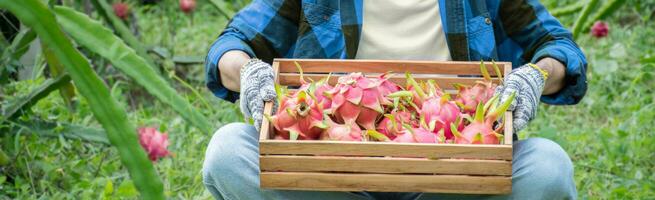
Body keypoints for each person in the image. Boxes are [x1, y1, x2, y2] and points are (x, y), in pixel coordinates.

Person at [202, 0, 586, 199]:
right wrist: (249, 72)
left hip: (457, 179)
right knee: (227, 153)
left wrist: (535, 76)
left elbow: (559, 48)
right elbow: (230, 46)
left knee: (548, 168)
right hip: (330, 179)